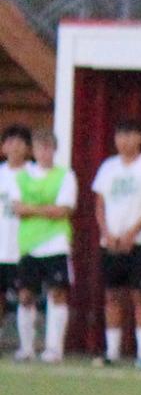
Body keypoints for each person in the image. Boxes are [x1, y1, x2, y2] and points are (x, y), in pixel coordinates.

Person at [92, 118, 141, 366]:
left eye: (130, 135)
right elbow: (99, 204)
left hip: (140, 242)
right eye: (120, 136)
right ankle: (112, 351)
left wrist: (133, 232)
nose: (124, 141)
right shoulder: (108, 167)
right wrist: (107, 233)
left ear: (140, 138)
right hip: (111, 242)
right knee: (112, 295)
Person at [15, 128, 77, 362]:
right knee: (25, 295)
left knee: (57, 293)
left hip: (56, 243)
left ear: (54, 150)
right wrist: (46, 209)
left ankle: (54, 348)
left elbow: (64, 210)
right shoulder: (22, 175)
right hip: (29, 244)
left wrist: (34, 208)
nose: (44, 152)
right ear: (34, 150)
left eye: (48, 147)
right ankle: (27, 347)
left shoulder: (65, 176)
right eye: (40, 147)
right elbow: (18, 208)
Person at [0, 124, 28, 358]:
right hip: (1, 244)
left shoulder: (32, 174)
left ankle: (26, 346)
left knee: (25, 296)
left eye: (20, 143)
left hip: (23, 247)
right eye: (10, 142)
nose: (14, 147)